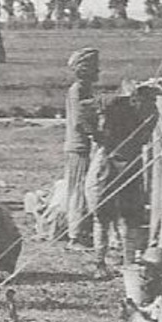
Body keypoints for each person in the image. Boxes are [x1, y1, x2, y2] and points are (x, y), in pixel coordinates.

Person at [87, 82, 157, 279]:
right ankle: (101, 262)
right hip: (111, 165)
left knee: (129, 217)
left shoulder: (146, 117)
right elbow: (87, 115)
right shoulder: (118, 110)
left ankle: (126, 263)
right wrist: (100, 137)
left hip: (128, 165)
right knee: (104, 215)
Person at [64, 47, 101, 247]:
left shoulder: (84, 89)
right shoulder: (78, 90)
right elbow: (80, 121)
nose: (98, 72)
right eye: (94, 68)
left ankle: (80, 230)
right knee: (79, 190)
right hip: (78, 146)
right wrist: (97, 134)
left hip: (82, 145)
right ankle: (75, 235)